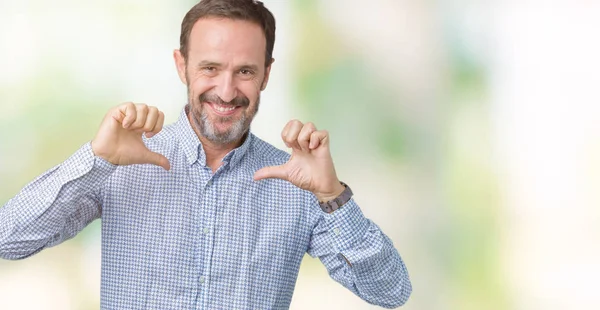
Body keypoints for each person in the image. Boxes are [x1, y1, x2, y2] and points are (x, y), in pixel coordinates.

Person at [0, 0, 411, 308]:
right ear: (182, 66)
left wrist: (331, 196)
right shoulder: (121, 162)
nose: (227, 91)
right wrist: (97, 160)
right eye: (210, 68)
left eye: (245, 71)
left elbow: (391, 292)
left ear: (266, 74)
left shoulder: (297, 183)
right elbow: (8, 239)